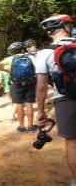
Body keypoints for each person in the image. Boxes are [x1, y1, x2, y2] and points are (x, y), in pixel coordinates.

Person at [35, 14, 76, 179]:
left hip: (65, 100)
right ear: (64, 27)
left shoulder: (44, 53)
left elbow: (42, 86)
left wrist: (41, 111)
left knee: (73, 144)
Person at [0, 41, 38, 133]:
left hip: (16, 84)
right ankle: (31, 126)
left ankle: (21, 127)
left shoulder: (9, 59)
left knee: (19, 105)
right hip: (30, 83)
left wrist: (6, 70)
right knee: (29, 104)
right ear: (22, 49)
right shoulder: (30, 57)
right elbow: (36, 69)